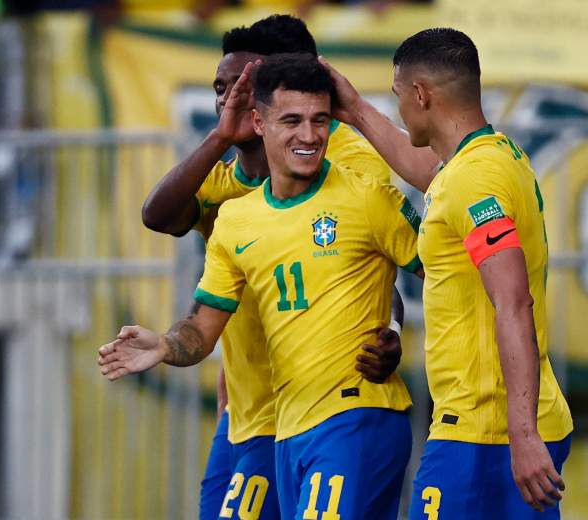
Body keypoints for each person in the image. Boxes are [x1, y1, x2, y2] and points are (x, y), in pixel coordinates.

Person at [99, 54, 423, 519]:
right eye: (291, 121)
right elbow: (202, 329)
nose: (309, 136)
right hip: (288, 431)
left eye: (318, 121)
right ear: (259, 122)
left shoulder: (368, 196)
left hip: (359, 416)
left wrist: (392, 323)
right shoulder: (234, 219)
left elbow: (441, 267)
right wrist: (163, 346)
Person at [323, 28, 573, 518]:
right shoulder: (494, 157)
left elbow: (513, 301)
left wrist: (522, 436)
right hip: (514, 422)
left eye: (398, 96)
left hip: (485, 434)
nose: (398, 108)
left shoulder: (473, 181)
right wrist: (353, 110)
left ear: (420, 95)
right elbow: (430, 173)